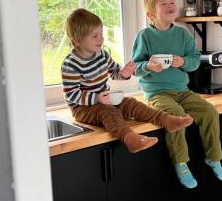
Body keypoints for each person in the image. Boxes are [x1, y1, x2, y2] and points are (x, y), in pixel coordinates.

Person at [61, 8, 193, 154]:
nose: (101, 39)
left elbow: (114, 72)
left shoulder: (101, 55)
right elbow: (71, 94)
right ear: (78, 40)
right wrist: (96, 98)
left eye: (101, 34)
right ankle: (131, 140)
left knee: (131, 103)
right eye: (95, 36)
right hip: (83, 108)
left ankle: (167, 120)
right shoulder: (71, 64)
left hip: (104, 100)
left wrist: (123, 73)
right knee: (109, 112)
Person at [132, 0, 222, 188]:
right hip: (157, 93)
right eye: (163, 3)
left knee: (209, 111)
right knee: (175, 115)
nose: (170, 6)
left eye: (172, 2)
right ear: (150, 14)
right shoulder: (144, 37)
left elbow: (194, 61)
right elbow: (135, 68)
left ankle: (214, 157)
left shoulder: (183, 35)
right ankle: (181, 163)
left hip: (182, 91)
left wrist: (182, 62)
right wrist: (148, 65)